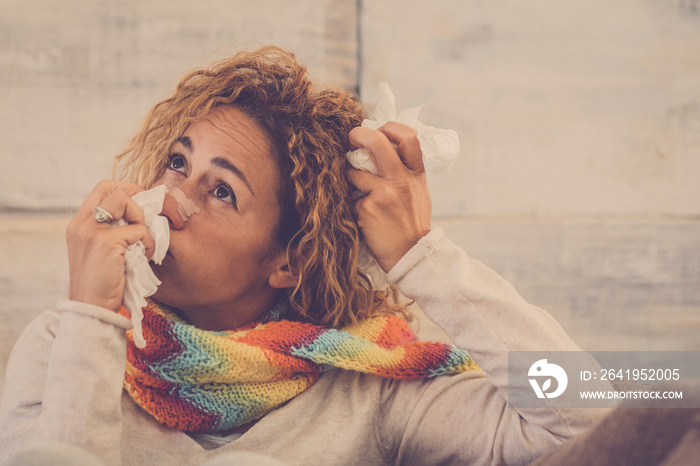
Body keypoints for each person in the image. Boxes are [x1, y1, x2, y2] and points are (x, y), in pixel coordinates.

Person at [0, 46, 606, 465]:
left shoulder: (371, 392)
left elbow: (590, 424)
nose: (169, 201)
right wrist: (94, 319)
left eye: (221, 191)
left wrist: (422, 256)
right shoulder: (64, 342)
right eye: (178, 163)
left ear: (287, 261)